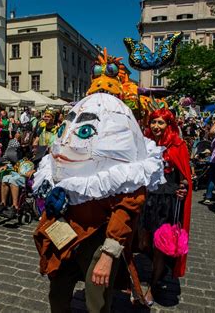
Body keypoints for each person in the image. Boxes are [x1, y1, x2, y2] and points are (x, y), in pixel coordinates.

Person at [33, 93, 165, 312]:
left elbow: (127, 209)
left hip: (98, 241)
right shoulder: (58, 162)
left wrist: (108, 254)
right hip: (66, 235)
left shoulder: (125, 171)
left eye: (84, 130)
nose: (66, 140)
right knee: (57, 292)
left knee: (97, 302)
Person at [139, 108, 193, 306]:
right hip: (148, 200)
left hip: (167, 203)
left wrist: (183, 188)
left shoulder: (178, 146)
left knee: (160, 247)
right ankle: (157, 273)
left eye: (161, 123)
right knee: (144, 243)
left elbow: (184, 177)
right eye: (153, 122)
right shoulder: (144, 144)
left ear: (168, 125)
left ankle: (153, 287)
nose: (156, 126)